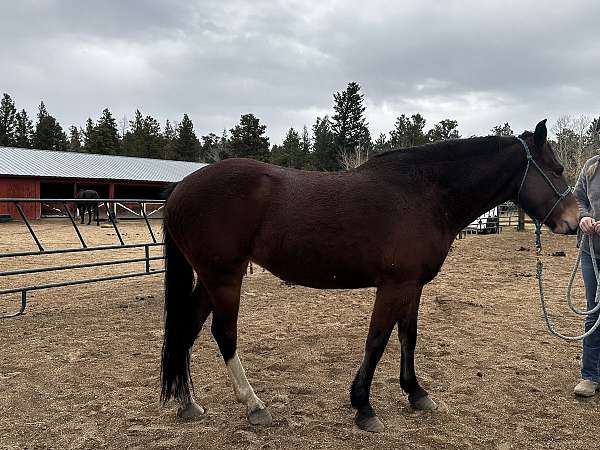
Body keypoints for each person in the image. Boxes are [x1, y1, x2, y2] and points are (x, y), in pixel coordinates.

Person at [573, 120, 600, 397]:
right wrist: (584, 217)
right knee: (593, 312)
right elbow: (578, 198)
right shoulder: (591, 166)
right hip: (591, 251)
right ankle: (590, 375)